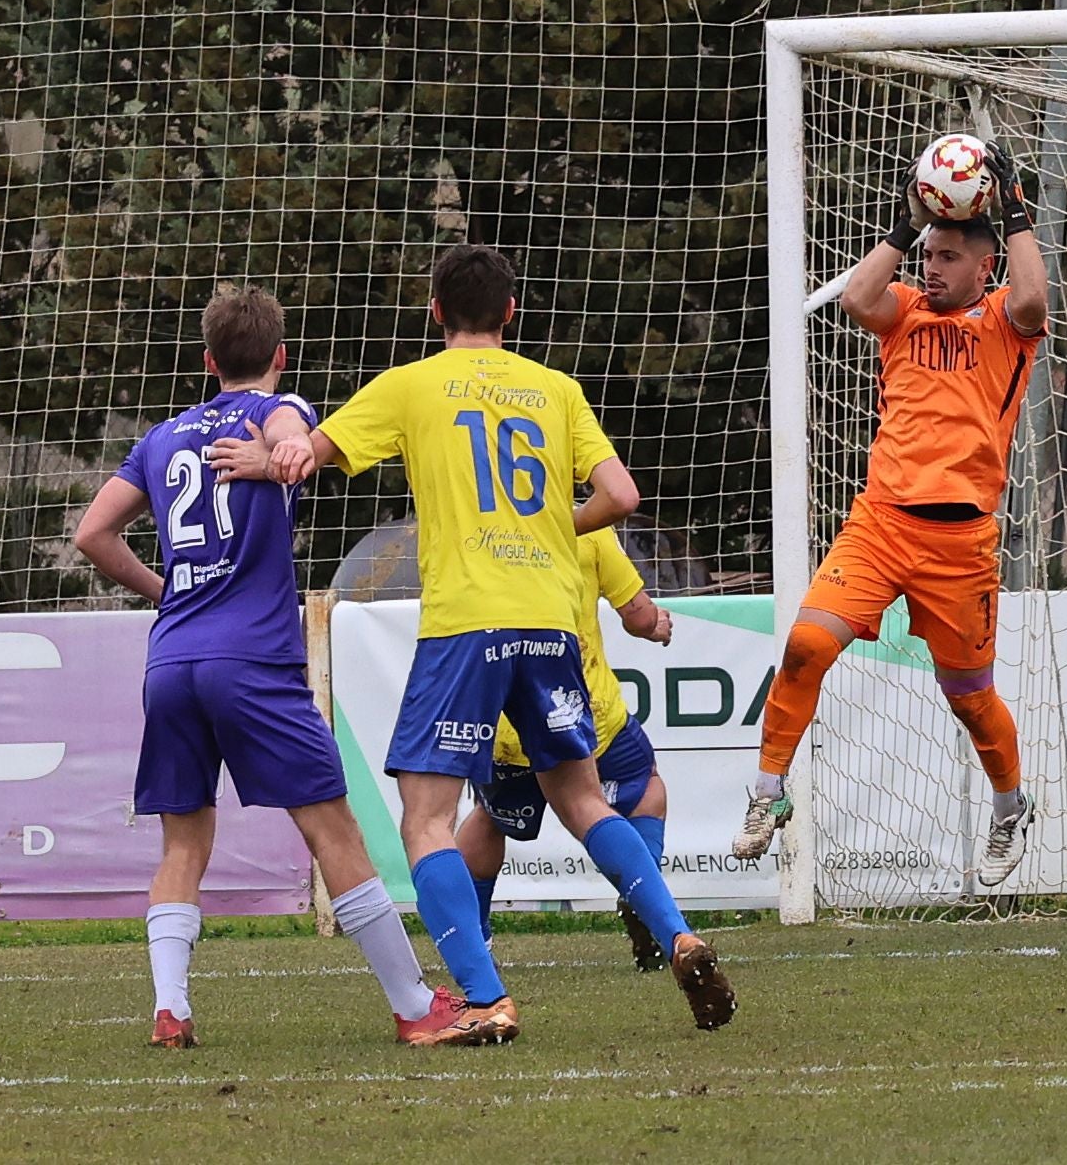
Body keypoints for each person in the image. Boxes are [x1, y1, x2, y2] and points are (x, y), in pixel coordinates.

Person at [247, 243, 733, 1036]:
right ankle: (677, 933)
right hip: (548, 621)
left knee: (425, 817)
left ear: (435, 310)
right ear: (511, 312)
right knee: (581, 796)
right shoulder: (557, 389)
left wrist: (274, 456)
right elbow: (621, 495)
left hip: (467, 620)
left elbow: (310, 452)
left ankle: (482, 997)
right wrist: (542, 525)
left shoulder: (410, 385)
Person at [73, 285, 455, 1048]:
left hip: (173, 658)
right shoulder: (279, 410)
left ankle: (171, 1008)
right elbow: (287, 427)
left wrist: (165, 590)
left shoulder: (162, 438)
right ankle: (416, 1007)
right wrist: (283, 444)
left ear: (208, 361)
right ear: (279, 358)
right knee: (333, 831)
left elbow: (92, 534)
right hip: (250, 659)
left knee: (182, 843)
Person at [732, 143, 1050, 888]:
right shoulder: (901, 309)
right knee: (807, 644)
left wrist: (1013, 210)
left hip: (960, 542)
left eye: (945, 257)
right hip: (880, 524)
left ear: (982, 267)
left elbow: (1034, 296)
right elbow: (854, 299)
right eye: (927, 255)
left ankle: (1009, 807)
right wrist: (907, 227)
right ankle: (766, 795)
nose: (931, 268)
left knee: (969, 700)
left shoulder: (1005, 319)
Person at [456, 526, 675, 972]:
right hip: (582, 712)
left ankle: (474, 939)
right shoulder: (590, 529)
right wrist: (656, 625)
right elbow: (636, 614)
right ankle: (647, 903)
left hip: (506, 722)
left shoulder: (480, 530)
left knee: (487, 820)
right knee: (644, 789)